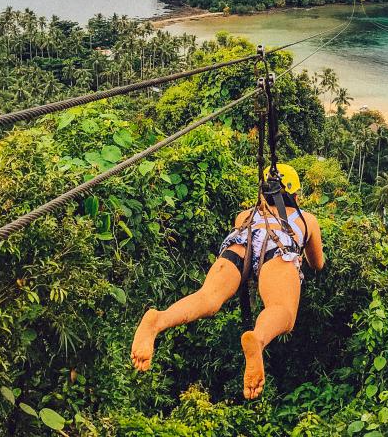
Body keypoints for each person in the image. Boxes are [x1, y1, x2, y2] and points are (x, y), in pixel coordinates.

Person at [131, 164, 324, 399]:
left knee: (208, 297)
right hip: (279, 249)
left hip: (241, 242)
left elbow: (254, 240)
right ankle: (258, 338)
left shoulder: (244, 215)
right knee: (282, 310)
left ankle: (157, 321)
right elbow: (317, 263)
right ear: (294, 194)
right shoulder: (307, 219)